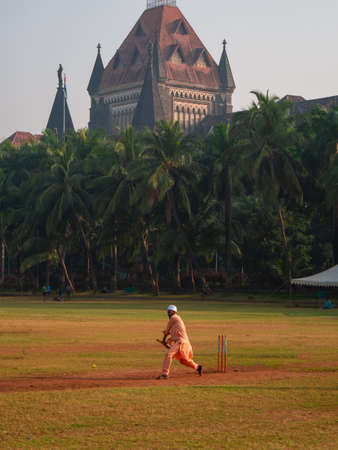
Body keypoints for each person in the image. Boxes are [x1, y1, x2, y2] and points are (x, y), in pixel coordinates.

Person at [157, 305, 202, 380]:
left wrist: (164, 340)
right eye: (168, 311)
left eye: (170, 311)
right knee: (183, 361)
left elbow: (167, 332)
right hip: (184, 343)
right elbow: (170, 334)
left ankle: (165, 374)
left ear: (175, 312)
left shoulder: (174, 318)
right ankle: (197, 367)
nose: (169, 313)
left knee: (169, 354)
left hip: (181, 342)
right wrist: (167, 343)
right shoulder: (176, 322)